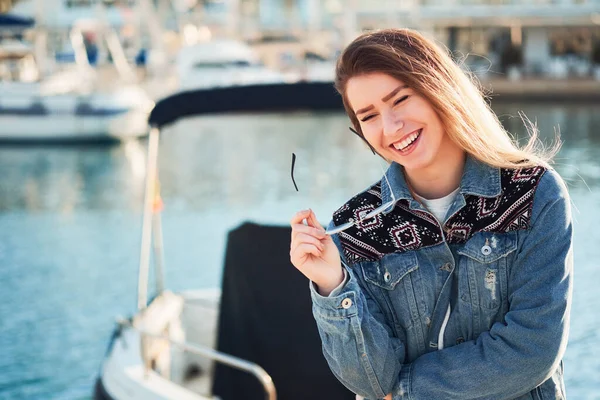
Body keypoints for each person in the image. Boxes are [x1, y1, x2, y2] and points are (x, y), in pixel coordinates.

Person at [289, 28, 573, 400]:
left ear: (437, 87)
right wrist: (332, 284)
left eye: (400, 99)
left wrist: (406, 388)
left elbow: (532, 351)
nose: (391, 128)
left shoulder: (533, 193)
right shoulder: (356, 225)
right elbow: (370, 382)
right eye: (369, 116)